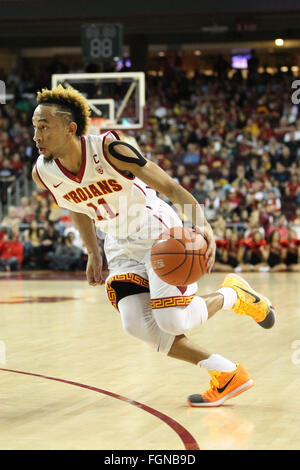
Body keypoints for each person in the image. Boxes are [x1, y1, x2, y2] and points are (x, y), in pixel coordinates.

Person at [31, 85, 275, 407]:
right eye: (34, 127)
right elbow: (76, 206)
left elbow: (170, 187)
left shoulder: (110, 150)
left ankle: (233, 295)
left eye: (43, 126)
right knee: (135, 323)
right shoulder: (43, 173)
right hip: (118, 244)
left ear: (70, 128)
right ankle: (227, 373)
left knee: (172, 321)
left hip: (157, 233)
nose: (36, 135)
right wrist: (93, 250)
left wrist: (202, 226)